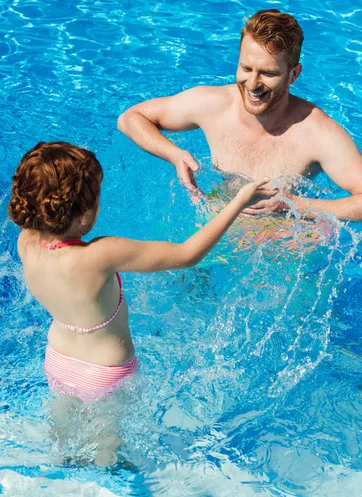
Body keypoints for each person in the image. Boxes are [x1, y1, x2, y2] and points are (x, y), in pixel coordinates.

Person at [8, 141, 271, 403]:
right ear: (84, 214)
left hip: (57, 359)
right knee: (110, 446)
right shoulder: (99, 255)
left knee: (59, 436)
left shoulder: (26, 242)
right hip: (105, 373)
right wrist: (239, 202)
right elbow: (189, 254)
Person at [118, 9, 362, 223]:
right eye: (246, 68)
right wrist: (174, 154)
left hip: (281, 247)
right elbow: (131, 117)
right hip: (217, 225)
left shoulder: (317, 133)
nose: (252, 84)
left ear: (293, 74)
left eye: (268, 73)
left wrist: (294, 205)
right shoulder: (212, 104)